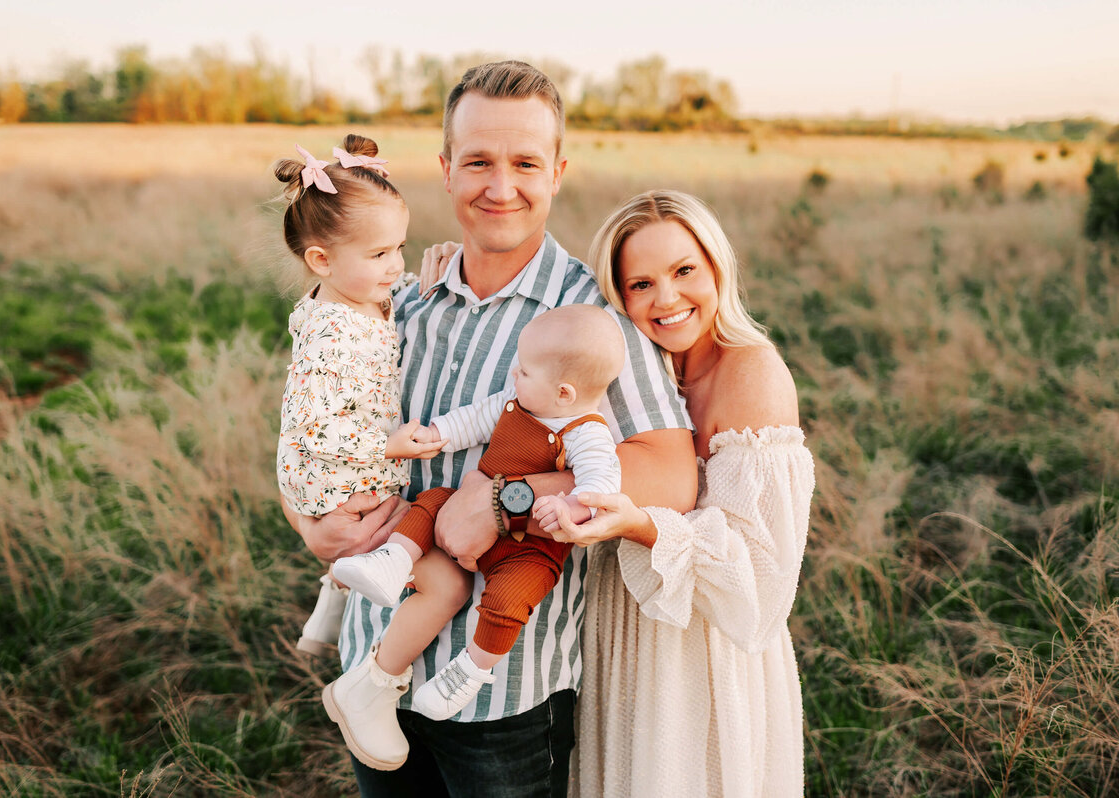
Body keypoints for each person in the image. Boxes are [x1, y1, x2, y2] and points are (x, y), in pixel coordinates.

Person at [279, 61, 697, 797]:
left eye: (525, 163)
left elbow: (672, 470)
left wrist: (510, 496)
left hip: (505, 691)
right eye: (478, 162)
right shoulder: (403, 297)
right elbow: (320, 422)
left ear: (558, 172)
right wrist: (308, 524)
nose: (500, 187)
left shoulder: (591, 317)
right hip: (376, 659)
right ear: (445, 170)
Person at [550, 190, 815, 798]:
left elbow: (762, 581)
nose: (666, 299)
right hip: (621, 635)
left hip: (704, 657)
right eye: (640, 284)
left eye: (683, 271)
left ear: (716, 267)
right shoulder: (630, 368)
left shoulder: (750, 373)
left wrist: (641, 524)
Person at [324, 305, 625, 770]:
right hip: (461, 518)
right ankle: (392, 561)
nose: (514, 373)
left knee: (510, 599)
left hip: (528, 548)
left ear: (565, 392)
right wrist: (437, 433)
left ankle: (470, 671)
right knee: (432, 502)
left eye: (523, 370)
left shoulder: (586, 434)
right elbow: (477, 419)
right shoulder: (518, 403)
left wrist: (569, 505)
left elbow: (603, 485)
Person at [272, 135, 449, 656]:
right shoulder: (333, 332)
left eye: (399, 247)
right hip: (339, 474)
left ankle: (330, 603)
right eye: (379, 253)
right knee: (414, 532)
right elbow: (314, 427)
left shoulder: (359, 295)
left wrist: (422, 280)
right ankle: (378, 663)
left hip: (341, 468)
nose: (395, 266)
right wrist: (388, 446)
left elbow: (391, 296)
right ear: (322, 260)